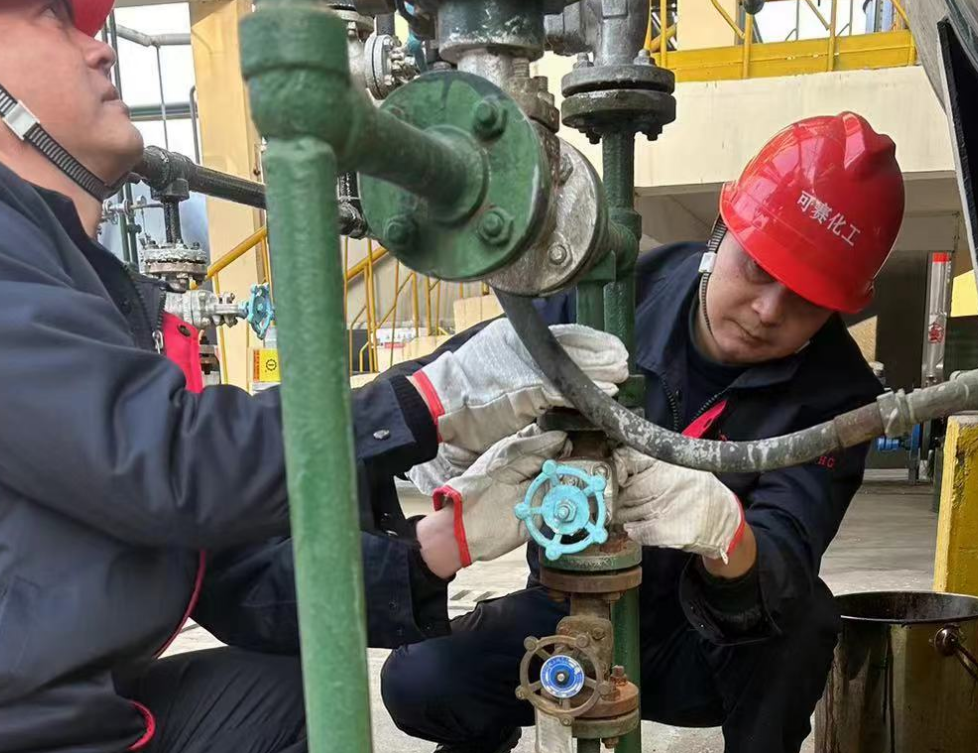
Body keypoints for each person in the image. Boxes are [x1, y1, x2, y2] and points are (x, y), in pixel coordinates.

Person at [0, 0, 626, 752]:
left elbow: (209, 560)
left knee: (287, 694)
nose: (98, 46)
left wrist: (443, 542)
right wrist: (429, 398)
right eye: (49, 20)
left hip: (34, 700)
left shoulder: (24, 249)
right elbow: (171, 468)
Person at [380, 110, 906, 753]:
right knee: (418, 679)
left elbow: (785, 560)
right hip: (571, 605)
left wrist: (724, 535)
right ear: (723, 230)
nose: (769, 310)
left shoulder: (839, 396)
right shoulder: (612, 294)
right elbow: (451, 383)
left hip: (704, 638)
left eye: (805, 298)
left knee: (805, 624)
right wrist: (430, 440)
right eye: (759, 268)